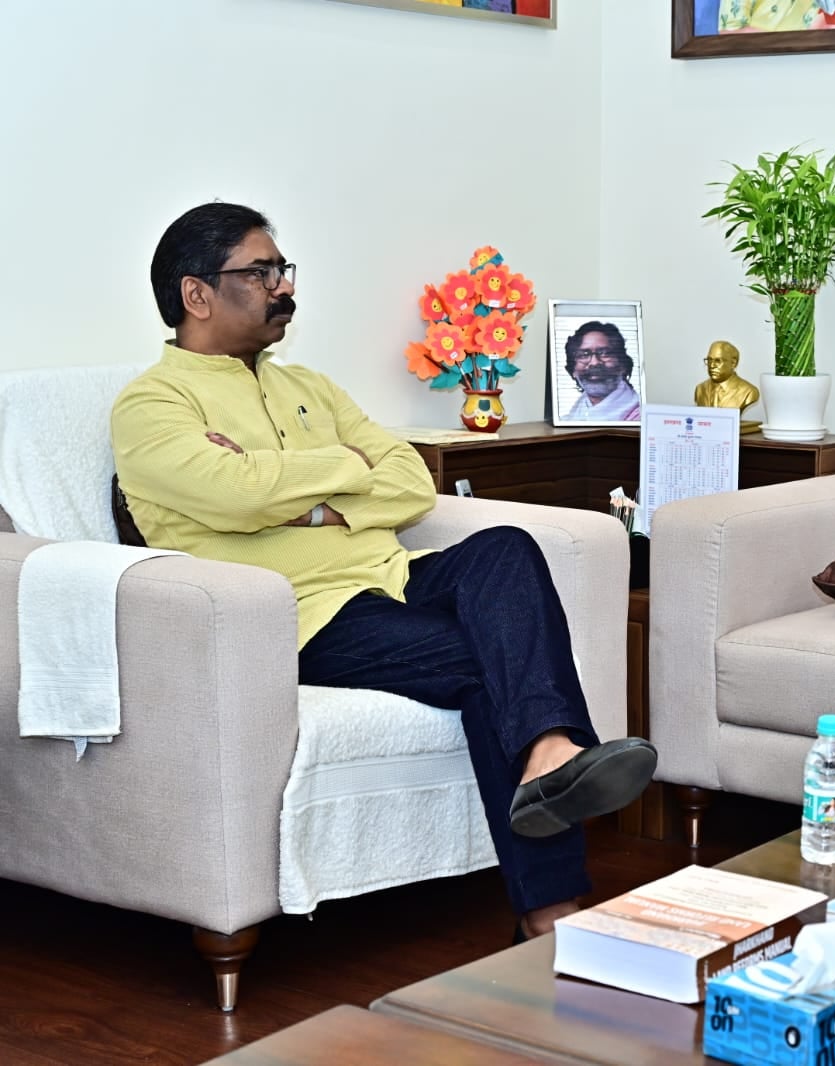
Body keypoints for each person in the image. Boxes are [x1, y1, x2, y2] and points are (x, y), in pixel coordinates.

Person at [111, 203, 657, 942]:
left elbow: (408, 481)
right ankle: (552, 901)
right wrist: (341, 473)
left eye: (282, 270)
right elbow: (230, 494)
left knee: (506, 546)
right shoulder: (151, 404)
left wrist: (300, 497)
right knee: (485, 665)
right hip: (298, 612)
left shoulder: (309, 386)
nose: (281, 286)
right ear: (196, 294)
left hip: (392, 576)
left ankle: (549, 752)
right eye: (261, 272)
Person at [563, 321, 642, 422]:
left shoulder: (640, 417)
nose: (595, 362)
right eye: (584, 355)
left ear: (622, 365)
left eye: (605, 353)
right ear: (573, 370)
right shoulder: (570, 418)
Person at [693, 340, 761, 413]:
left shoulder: (749, 391)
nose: (712, 366)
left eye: (718, 361)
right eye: (709, 360)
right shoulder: (700, 389)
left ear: (733, 363)